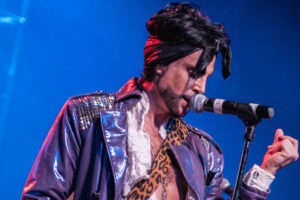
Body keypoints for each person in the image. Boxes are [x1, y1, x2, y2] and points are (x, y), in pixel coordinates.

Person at [22, 2, 298, 200]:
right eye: (193, 73)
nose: (200, 87)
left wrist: (266, 171)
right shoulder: (88, 116)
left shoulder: (204, 152)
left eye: (206, 76)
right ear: (161, 64)